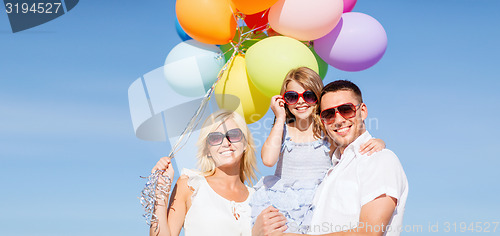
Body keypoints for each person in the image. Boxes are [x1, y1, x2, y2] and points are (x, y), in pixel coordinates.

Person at [253, 80, 409, 236]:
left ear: (363, 111)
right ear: (322, 120)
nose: (339, 120)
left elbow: (369, 232)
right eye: (328, 114)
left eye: (346, 109)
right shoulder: (332, 171)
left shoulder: (378, 159)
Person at [149, 110, 258, 236]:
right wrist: (161, 192)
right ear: (207, 150)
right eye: (215, 138)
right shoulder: (190, 186)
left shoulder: (259, 198)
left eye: (233, 135)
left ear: (245, 143)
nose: (226, 143)